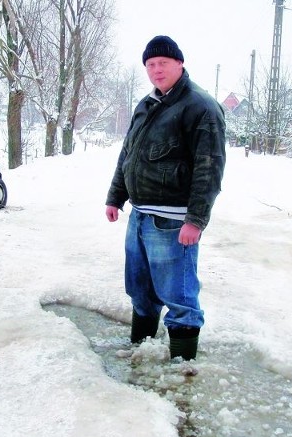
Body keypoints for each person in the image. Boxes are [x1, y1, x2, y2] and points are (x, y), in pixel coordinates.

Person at [105, 35, 226, 361]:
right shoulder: (146, 106)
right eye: (151, 64)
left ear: (179, 63)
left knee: (180, 297)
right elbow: (127, 154)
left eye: (163, 63)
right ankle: (140, 350)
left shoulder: (200, 107)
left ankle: (182, 369)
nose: (156, 70)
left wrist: (196, 219)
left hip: (173, 221)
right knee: (140, 291)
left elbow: (209, 170)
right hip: (140, 215)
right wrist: (115, 196)